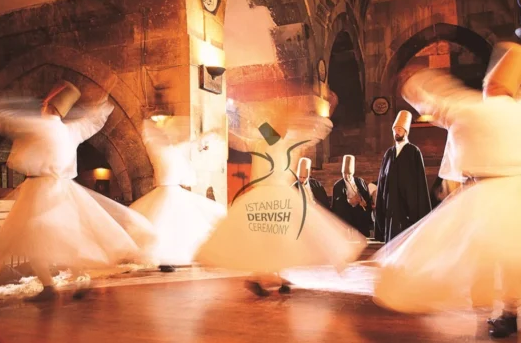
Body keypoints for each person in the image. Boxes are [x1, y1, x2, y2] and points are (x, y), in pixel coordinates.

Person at [372, 41, 521, 338]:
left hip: (485, 192)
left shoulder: (471, 109)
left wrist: (412, 80)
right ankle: (508, 311)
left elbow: (434, 102)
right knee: (512, 257)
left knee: (475, 250)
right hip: (520, 192)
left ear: (491, 85)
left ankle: (486, 304)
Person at [0, 81, 155, 302]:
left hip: (38, 190)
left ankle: (49, 286)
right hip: (60, 190)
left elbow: (1, 121)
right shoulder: (71, 130)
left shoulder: (39, 126)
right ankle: (77, 277)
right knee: (60, 237)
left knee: (24, 239)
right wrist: (103, 98)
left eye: (45, 102)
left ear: (49, 106)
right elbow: (94, 121)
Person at [195, 112, 366, 296]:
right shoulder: (267, 143)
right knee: (273, 238)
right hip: (268, 196)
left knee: (278, 239)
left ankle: (271, 275)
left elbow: (311, 133)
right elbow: (245, 137)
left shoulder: (279, 144)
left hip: (276, 194)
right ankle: (261, 276)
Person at [130, 118, 227, 271]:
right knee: (165, 225)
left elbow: (192, 143)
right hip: (166, 192)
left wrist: (208, 136)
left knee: (173, 226)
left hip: (171, 191)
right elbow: (150, 133)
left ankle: (168, 259)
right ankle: (165, 259)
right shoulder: (160, 148)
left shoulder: (172, 148)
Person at [374, 110, 432, 243]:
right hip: (391, 210)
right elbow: (382, 182)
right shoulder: (388, 154)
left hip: (408, 211)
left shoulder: (414, 152)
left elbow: (420, 184)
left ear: (406, 131)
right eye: (395, 129)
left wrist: (420, 214)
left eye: (400, 129)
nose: (397, 132)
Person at [331, 155, 373, 239]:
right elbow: (337, 204)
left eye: (349, 174)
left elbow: (366, 197)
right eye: (344, 174)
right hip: (347, 212)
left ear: (353, 172)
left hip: (359, 210)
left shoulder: (360, 181)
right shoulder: (338, 185)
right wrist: (349, 201)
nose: (347, 176)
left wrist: (364, 202)